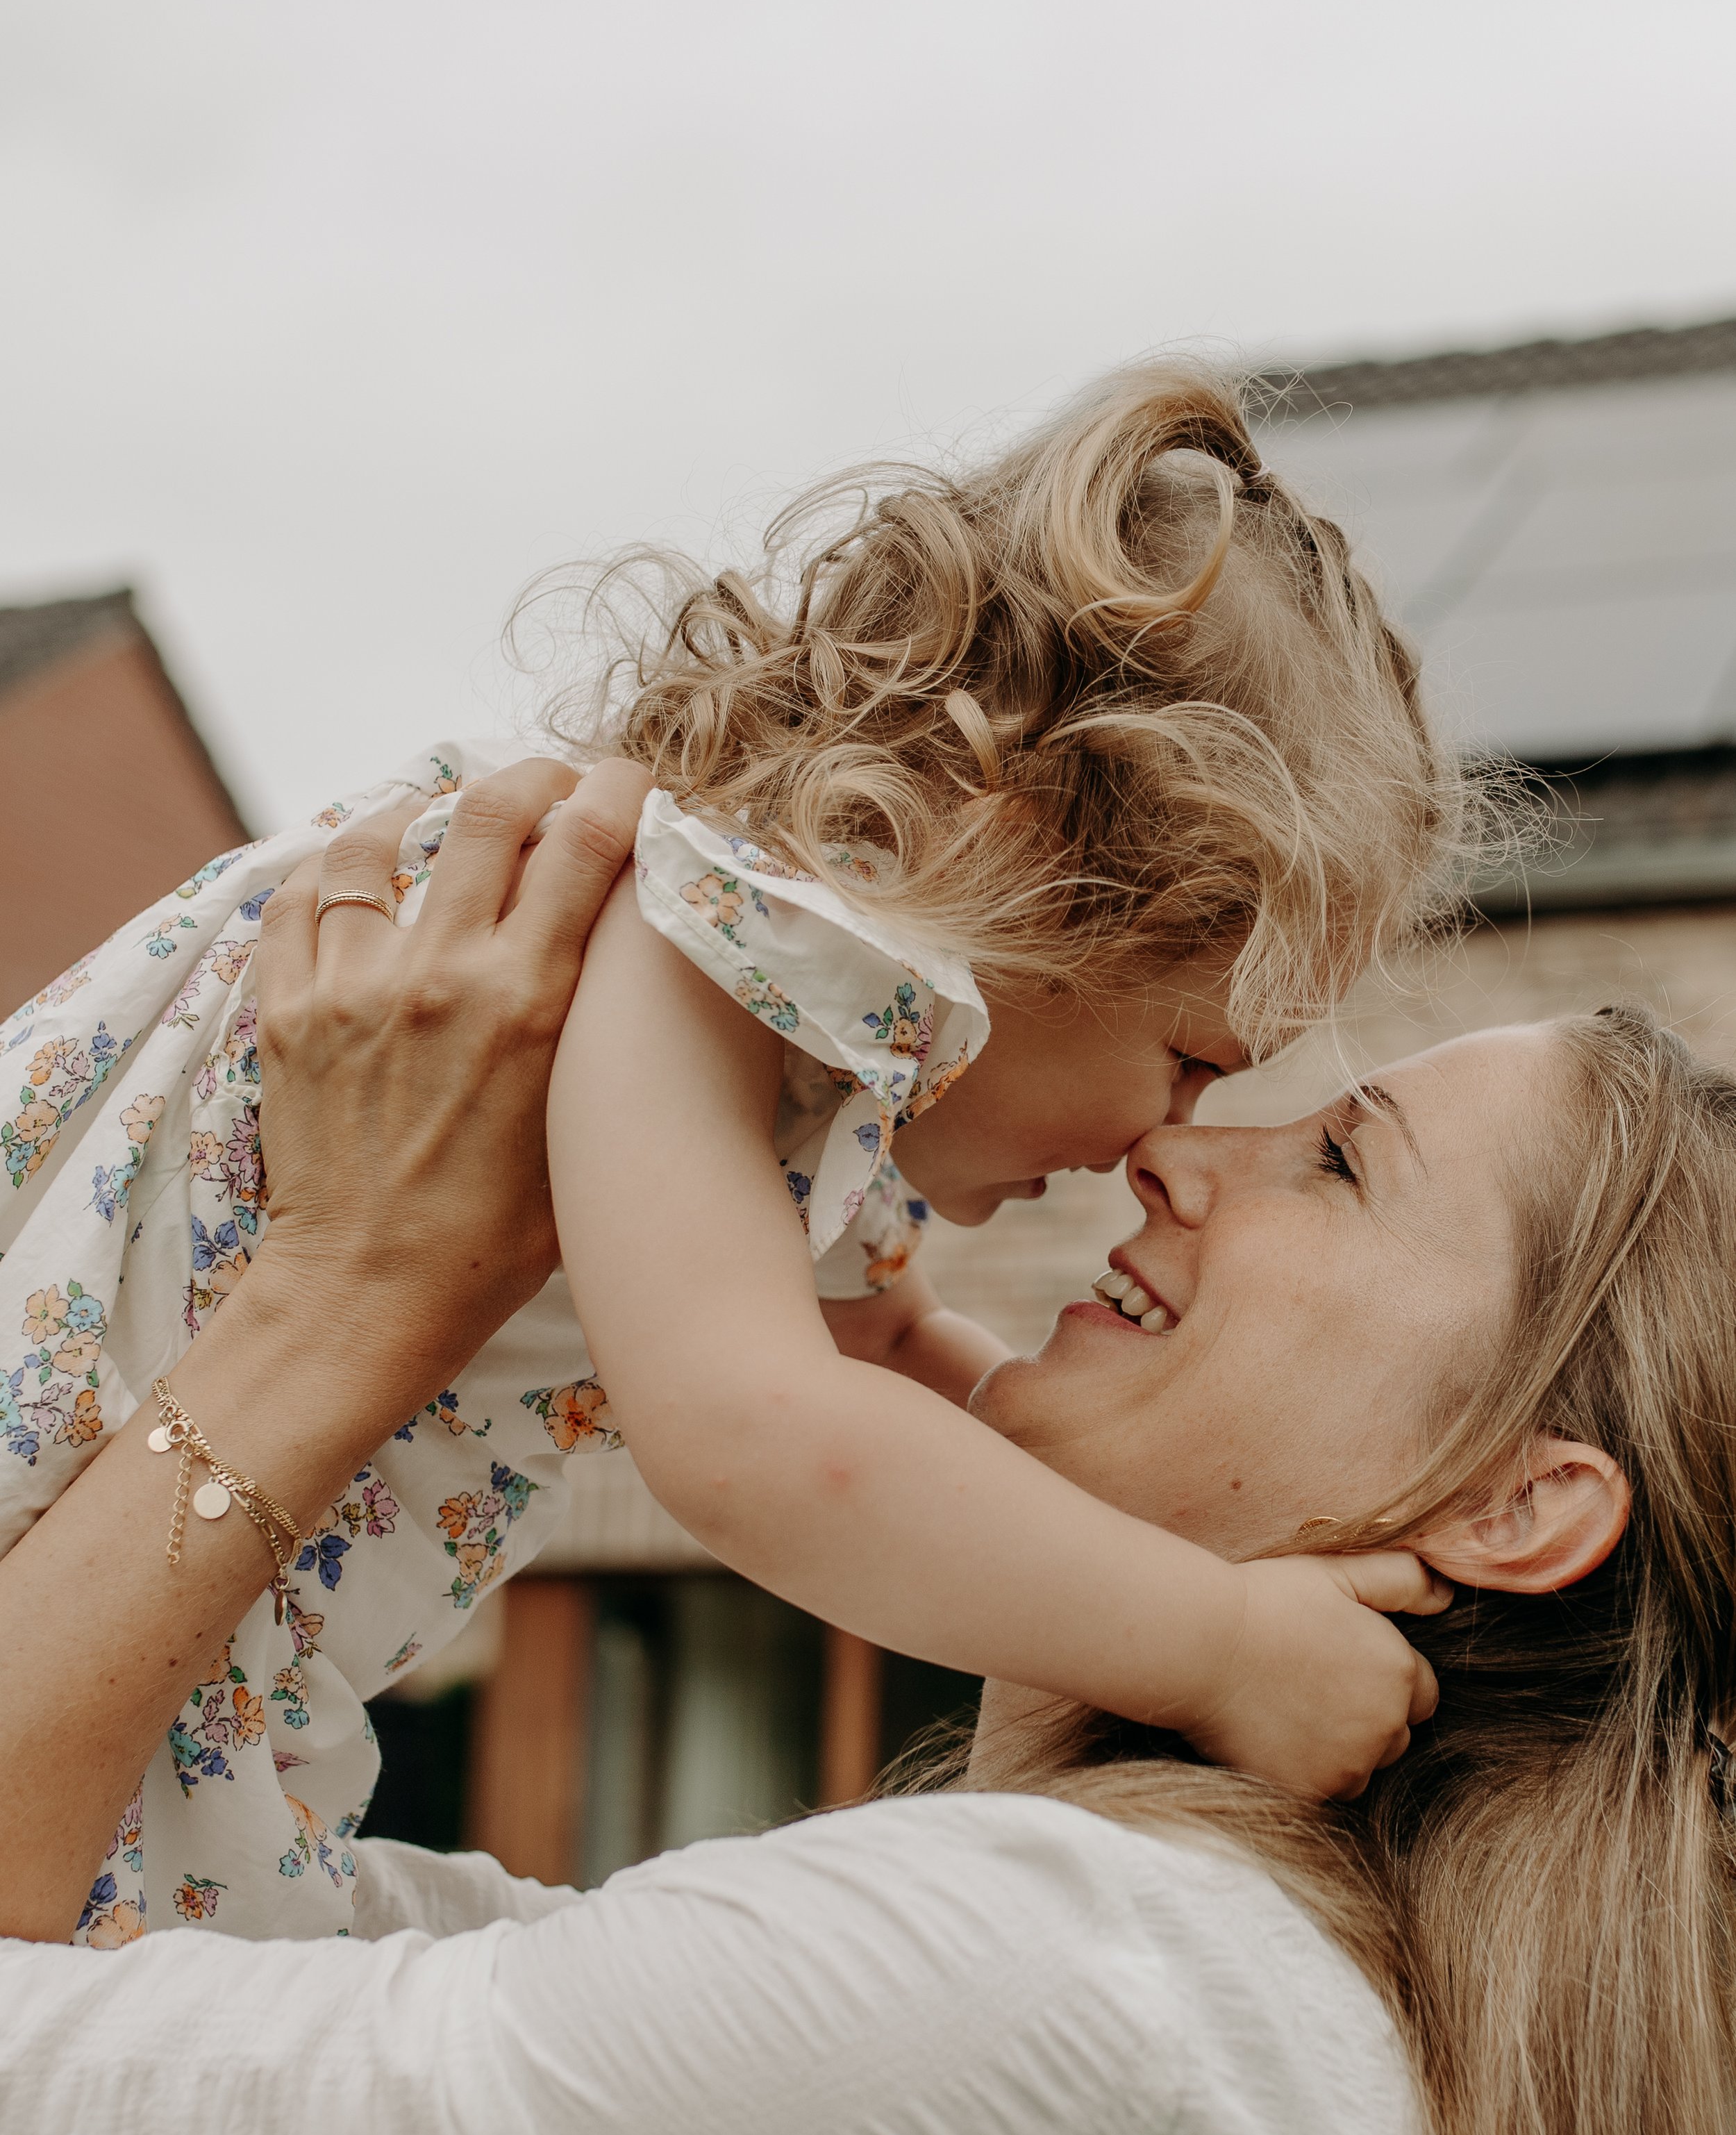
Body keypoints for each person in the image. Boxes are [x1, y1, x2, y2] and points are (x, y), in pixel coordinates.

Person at [1, 776, 1728, 2135]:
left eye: (1337, 1161)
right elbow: (186, 1952)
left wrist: (352, 1281)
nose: (1173, 1157)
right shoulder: (1156, 2004)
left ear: (1517, 1507)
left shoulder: (1084, 2002)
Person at [0, 365, 1465, 1940]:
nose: (1154, 1149)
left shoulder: (785, 1069)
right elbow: (753, 1441)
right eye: (1184, 1061)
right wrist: (1217, 1645)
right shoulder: (696, 935)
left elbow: (887, 1346)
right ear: (1013, 847)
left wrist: (1172, 1505)